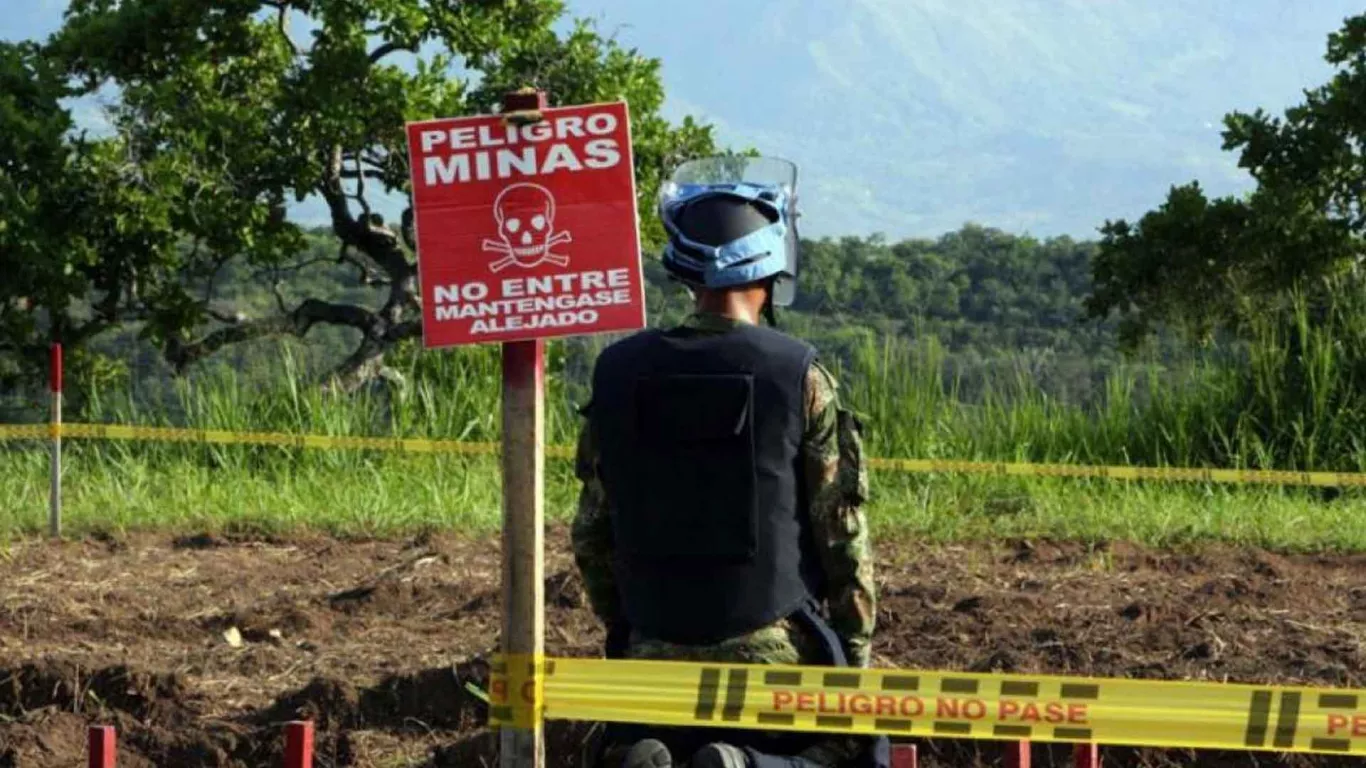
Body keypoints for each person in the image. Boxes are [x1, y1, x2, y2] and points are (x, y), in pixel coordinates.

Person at [571, 156, 885, 768]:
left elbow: (590, 535)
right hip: (769, 646)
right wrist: (852, 660)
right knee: (851, 752)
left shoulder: (615, 373)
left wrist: (633, 634)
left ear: (686, 266)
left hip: (650, 647)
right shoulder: (800, 376)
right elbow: (843, 540)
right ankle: (746, 765)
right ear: (772, 263)